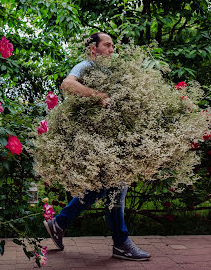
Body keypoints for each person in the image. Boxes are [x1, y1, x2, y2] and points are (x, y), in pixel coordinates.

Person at [43, 32, 151, 261]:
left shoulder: (112, 72)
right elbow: (67, 84)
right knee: (115, 186)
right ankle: (121, 243)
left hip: (111, 140)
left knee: (104, 187)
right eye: (107, 45)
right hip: (93, 141)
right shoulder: (85, 66)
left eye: (113, 46)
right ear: (93, 48)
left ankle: (59, 223)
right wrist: (97, 94)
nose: (112, 50)